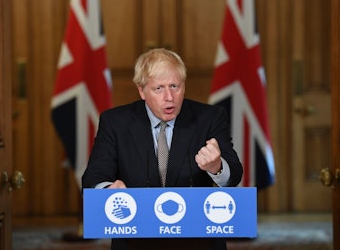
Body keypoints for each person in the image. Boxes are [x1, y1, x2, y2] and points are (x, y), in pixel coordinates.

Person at [82, 48, 243, 250]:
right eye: (159, 88)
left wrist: (217, 167)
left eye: (175, 86)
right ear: (142, 91)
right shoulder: (115, 122)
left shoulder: (209, 118)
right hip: (136, 238)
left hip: (196, 238)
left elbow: (234, 174)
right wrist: (107, 190)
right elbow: (93, 177)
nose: (169, 97)